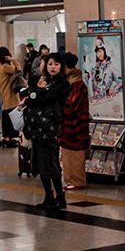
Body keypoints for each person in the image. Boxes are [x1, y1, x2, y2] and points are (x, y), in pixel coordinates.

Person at [22, 55, 68, 210]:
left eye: (56, 64)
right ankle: (48, 196)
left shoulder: (62, 83)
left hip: (50, 129)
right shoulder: (46, 81)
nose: (53, 67)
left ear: (61, 66)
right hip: (38, 129)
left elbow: (44, 97)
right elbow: (31, 95)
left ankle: (60, 198)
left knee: (51, 163)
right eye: (50, 64)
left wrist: (36, 94)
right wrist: (36, 93)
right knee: (41, 164)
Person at [59, 53, 90, 190]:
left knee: (75, 154)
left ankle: (77, 181)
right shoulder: (71, 80)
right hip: (70, 126)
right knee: (67, 154)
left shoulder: (76, 83)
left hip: (76, 126)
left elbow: (71, 105)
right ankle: (70, 180)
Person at [0, 47, 22, 146]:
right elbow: (18, 70)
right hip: (10, 93)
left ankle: (6, 138)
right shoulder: (6, 67)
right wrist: (13, 60)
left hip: (3, 93)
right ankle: (10, 138)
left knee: (6, 115)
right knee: (11, 117)